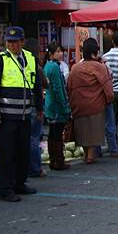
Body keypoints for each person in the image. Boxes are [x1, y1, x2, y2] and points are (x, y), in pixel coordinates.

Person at [0, 27, 43, 202]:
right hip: (6, 116)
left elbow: (36, 85)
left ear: (22, 41)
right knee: (6, 154)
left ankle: (20, 183)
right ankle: (6, 189)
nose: (12, 45)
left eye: (15, 41)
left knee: (22, 152)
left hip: (25, 115)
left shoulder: (30, 58)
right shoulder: (0, 60)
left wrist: (40, 108)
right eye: (9, 42)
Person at [67, 38, 114, 165]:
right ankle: (91, 156)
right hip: (95, 103)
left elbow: (69, 86)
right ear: (94, 53)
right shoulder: (99, 67)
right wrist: (110, 99)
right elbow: (107, 86)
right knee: (94, 131)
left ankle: (86, 154)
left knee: (82, 130)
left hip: (78, 104)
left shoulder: (75, 68)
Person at [43, 42, 71, 170]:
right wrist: (64, 105)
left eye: (61, 51)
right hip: (56, 106)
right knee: (57, 134)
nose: (61, 54)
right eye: (58, 51)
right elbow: (58, 88)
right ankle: (59, 161)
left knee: (52, 133)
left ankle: (53, 160)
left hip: (49, 104)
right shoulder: (54, 67)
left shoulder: (48, 66)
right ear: (51, 53)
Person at [24, 38, 46, 178]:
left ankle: (25, 168)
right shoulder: (35, 66)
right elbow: (42, 85)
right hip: (33, 106)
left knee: (25, 138)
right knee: (34, 138)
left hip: (23, 106)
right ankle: (35, 168)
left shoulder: (21, 65)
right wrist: (39, 109)